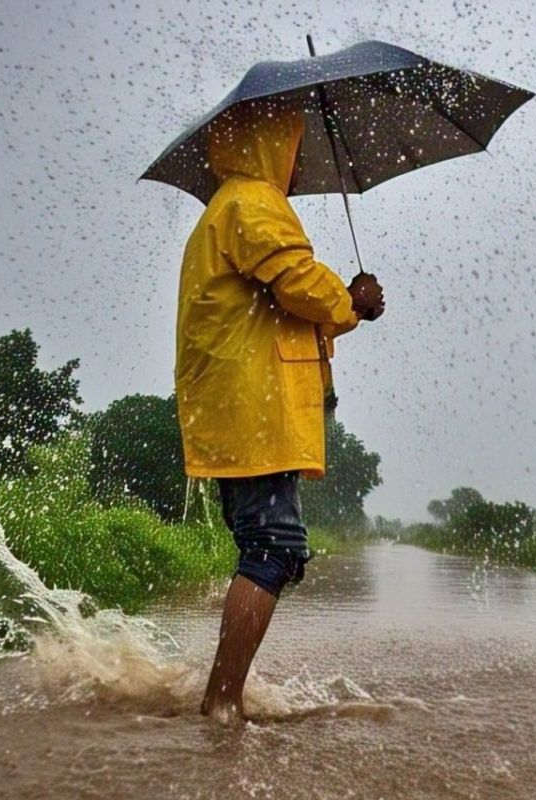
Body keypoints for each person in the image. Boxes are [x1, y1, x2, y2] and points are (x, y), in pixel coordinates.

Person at [174, 99, 385, 723]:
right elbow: (300, 284)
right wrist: (352, 297)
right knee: (274, 547)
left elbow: (287, 321)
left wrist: (347, 311)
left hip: (242, 407)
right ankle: (221, 703)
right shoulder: (253, 202)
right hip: (255, 409)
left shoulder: (228, 208)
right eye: (291, 143)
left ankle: (221, 696)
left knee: (266, 547)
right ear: (268, 142)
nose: (297, 161)